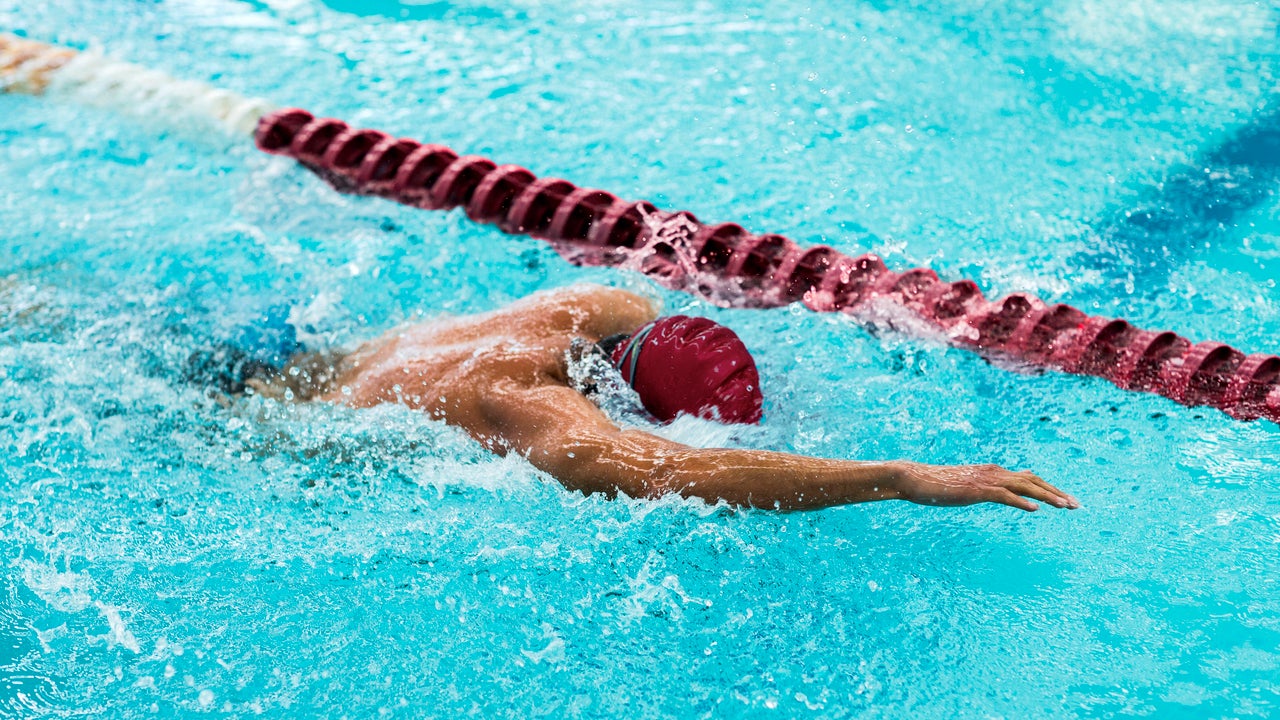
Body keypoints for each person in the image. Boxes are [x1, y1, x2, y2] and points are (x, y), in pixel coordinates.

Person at [219, 284, 1078, 513]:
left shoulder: (600, 309)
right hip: (259, 425)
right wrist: (896, 477)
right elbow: (676, 474)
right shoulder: (535, 412)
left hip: (307, 352)